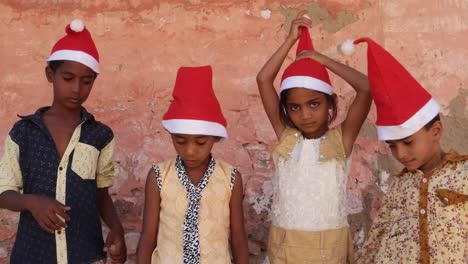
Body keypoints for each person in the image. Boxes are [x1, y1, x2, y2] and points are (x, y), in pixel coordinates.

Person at [0, 19, 126, 263]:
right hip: (33, 254)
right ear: (50, 74)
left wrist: (117, 229)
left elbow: (101, 194)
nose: (77, 88)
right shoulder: (23, 133)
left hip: (86, 253)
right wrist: (32, 202)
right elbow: (3, 193)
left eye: (86, 81)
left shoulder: (100, 135)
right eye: (68, 78)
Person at [256, 11, 372, 263]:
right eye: (295, 107)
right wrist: (290, 40)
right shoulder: (287, 138)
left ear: (329, 103)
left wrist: (321, 59)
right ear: (286, 109)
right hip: (284, 248)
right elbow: (263, 79)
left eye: (314, 103)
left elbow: (366, 88)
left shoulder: (341, 140)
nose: (305, 114)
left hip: (328, 251)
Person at [342, 37, 468, 264]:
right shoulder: (400, 187)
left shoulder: (464, 174)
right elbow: (377, 241)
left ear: (436, 131)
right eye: (392, 146)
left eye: (408, 142)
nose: (400, 154)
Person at [136, 65, 249, 264]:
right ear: (171, 136)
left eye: (200, 142)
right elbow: (147, 238)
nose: (190, 150)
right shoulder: (159, 176)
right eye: (180, 141)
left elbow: (238, 240)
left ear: (215, 137)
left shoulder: (230, 178)